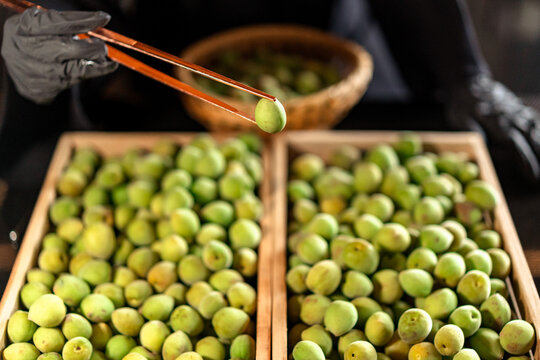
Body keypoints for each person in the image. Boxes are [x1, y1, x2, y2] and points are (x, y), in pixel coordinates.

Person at [0, 0, 539, 183]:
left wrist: (462, 72)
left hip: (332, 57)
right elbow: (53, 12)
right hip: (159, 74)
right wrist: (39, 31)